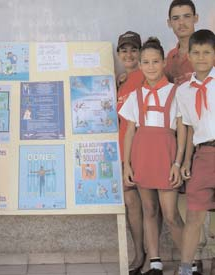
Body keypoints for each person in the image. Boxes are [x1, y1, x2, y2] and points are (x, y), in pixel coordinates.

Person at [120, 37, 185, 275]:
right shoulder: (135, 96)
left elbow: (183, 130)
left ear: (163, 62)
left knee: (170, 214)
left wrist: (178, 163)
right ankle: (155, 261)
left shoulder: (176, 93)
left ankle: (190, 261)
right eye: (145, 62)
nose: (150, 66)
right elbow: (129, 132)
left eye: (155, 61)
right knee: (149, 210)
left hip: (166, 157)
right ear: (140, 65)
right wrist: (127, 164)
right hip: (142, 158)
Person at [166, 2, 209, 273]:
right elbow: (185, 123)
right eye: (175, 18)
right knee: (193, 209)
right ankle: (189, 264)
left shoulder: (207, 53)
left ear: (195, 18)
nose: (181, 23)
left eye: (186, 17)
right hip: (191, 146)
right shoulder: (169, 59)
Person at [176, 29, 215, 275]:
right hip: (203, 155)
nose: (201, 57)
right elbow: (189, 128)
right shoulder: (184, 91)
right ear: (189, 55)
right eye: (196, 52)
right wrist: (186, 160)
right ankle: (185, 268)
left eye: (207, 52)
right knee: (194, 216)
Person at [116, 31, 147, 275]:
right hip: (122, 153)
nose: (129, 54)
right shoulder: (122, 80)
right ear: (118, 54)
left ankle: (148, 256)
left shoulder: (146, 76)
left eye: (133, 50)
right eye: (124, 50)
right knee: (131, 205)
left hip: (140, 153)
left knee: (148, 207)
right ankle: (140, 253)